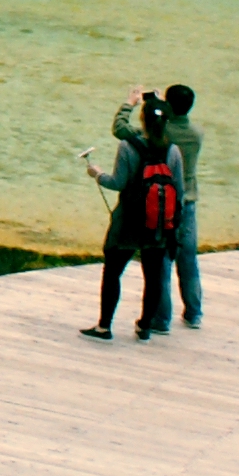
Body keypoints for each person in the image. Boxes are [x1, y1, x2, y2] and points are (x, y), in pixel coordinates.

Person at [80, 95, 177, 340]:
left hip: (129, 220)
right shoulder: (172, 150)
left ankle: (104, 326)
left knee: (113, 272)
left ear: (142, 119)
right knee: (153, 276)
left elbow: (118, 182)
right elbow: (179, 189)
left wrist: (97, 174)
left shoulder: (127, 146)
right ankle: (144, 326)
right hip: (157, 223)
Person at [112, 84, 206, 329]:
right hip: (188, 201)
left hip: (163, 202)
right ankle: (194, 313)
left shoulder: (164, 135)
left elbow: (121, 129)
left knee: (160, 261)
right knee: (188, 259)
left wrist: (130, 104)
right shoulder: (197, 133)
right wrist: (164, 105)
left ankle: (161, 318)